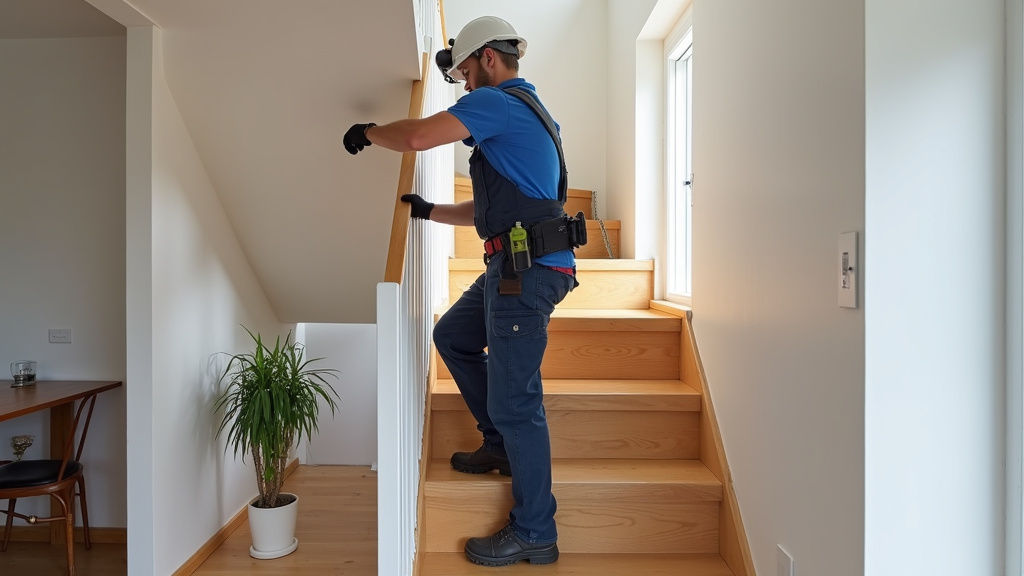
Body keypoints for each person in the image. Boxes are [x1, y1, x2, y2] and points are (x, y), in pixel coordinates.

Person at [342, 15, 585, 567]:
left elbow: (420, 136)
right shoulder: (527, 115)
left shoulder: (498, 103)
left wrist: (369, 132)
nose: (466, 85)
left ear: (489, 60)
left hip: (526, 273)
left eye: (466, 72)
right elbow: (488, 209)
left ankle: (534, 531)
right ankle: (499, 444)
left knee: (517, 403)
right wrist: (428, 213)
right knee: (451, 335)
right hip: (516, 263)